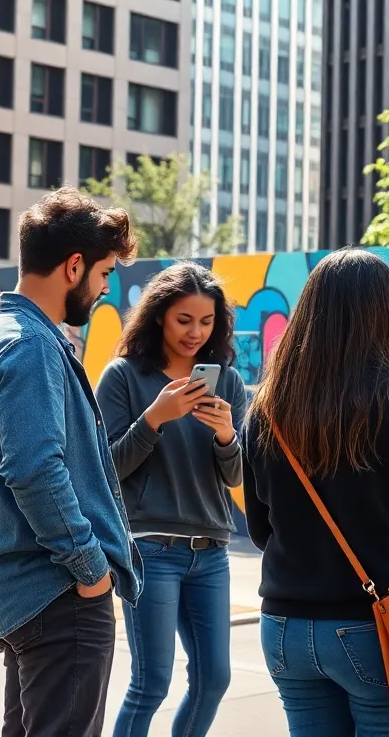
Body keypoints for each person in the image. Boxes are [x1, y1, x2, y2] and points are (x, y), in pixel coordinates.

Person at [241, 248, 389, 737]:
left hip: (284, 629)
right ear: (388, 314)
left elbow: (263, 533)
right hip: (378, 630)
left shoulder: (266, 407)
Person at [0, 188, 142, 737]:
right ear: (74, 265)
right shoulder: (29, 345)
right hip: (56, 592)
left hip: (24, 592)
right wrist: (90, 572)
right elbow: (35, 469)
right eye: (105, 274)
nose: (105, 290)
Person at [96, 263, 246, 737]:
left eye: (206, 322)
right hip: (150, 549)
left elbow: (236, 475)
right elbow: (106, 469)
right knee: (152, 683)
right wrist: (154, 418)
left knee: (214, 679)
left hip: (210, 552)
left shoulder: (229, 382)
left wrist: (226, 435)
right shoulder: (123, 377)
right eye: (185, 320)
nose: (196, 333)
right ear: (159, 315)